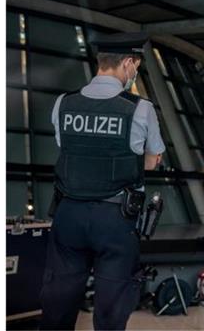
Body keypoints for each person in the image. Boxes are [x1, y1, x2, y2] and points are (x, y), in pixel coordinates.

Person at [40, 34, 165, 330]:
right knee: (112, 306)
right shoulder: (140, 108)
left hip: (68, 212)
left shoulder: (64, 103)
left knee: (58, 299)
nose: (134, 73)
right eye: (135, 66)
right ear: (127, 63)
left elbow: (67, 148)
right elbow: (152, 159)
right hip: (115, 218)